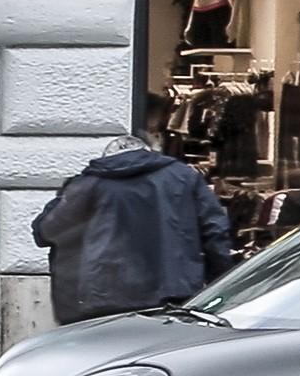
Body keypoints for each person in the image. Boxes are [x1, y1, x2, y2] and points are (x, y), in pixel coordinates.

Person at [31, 110, 236, 324]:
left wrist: (67, 191)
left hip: (106, 298)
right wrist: (220, 284)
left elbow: (45, 231)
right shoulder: (183, 177)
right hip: (174, 296)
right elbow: (215, 231)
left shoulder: (89, 184)